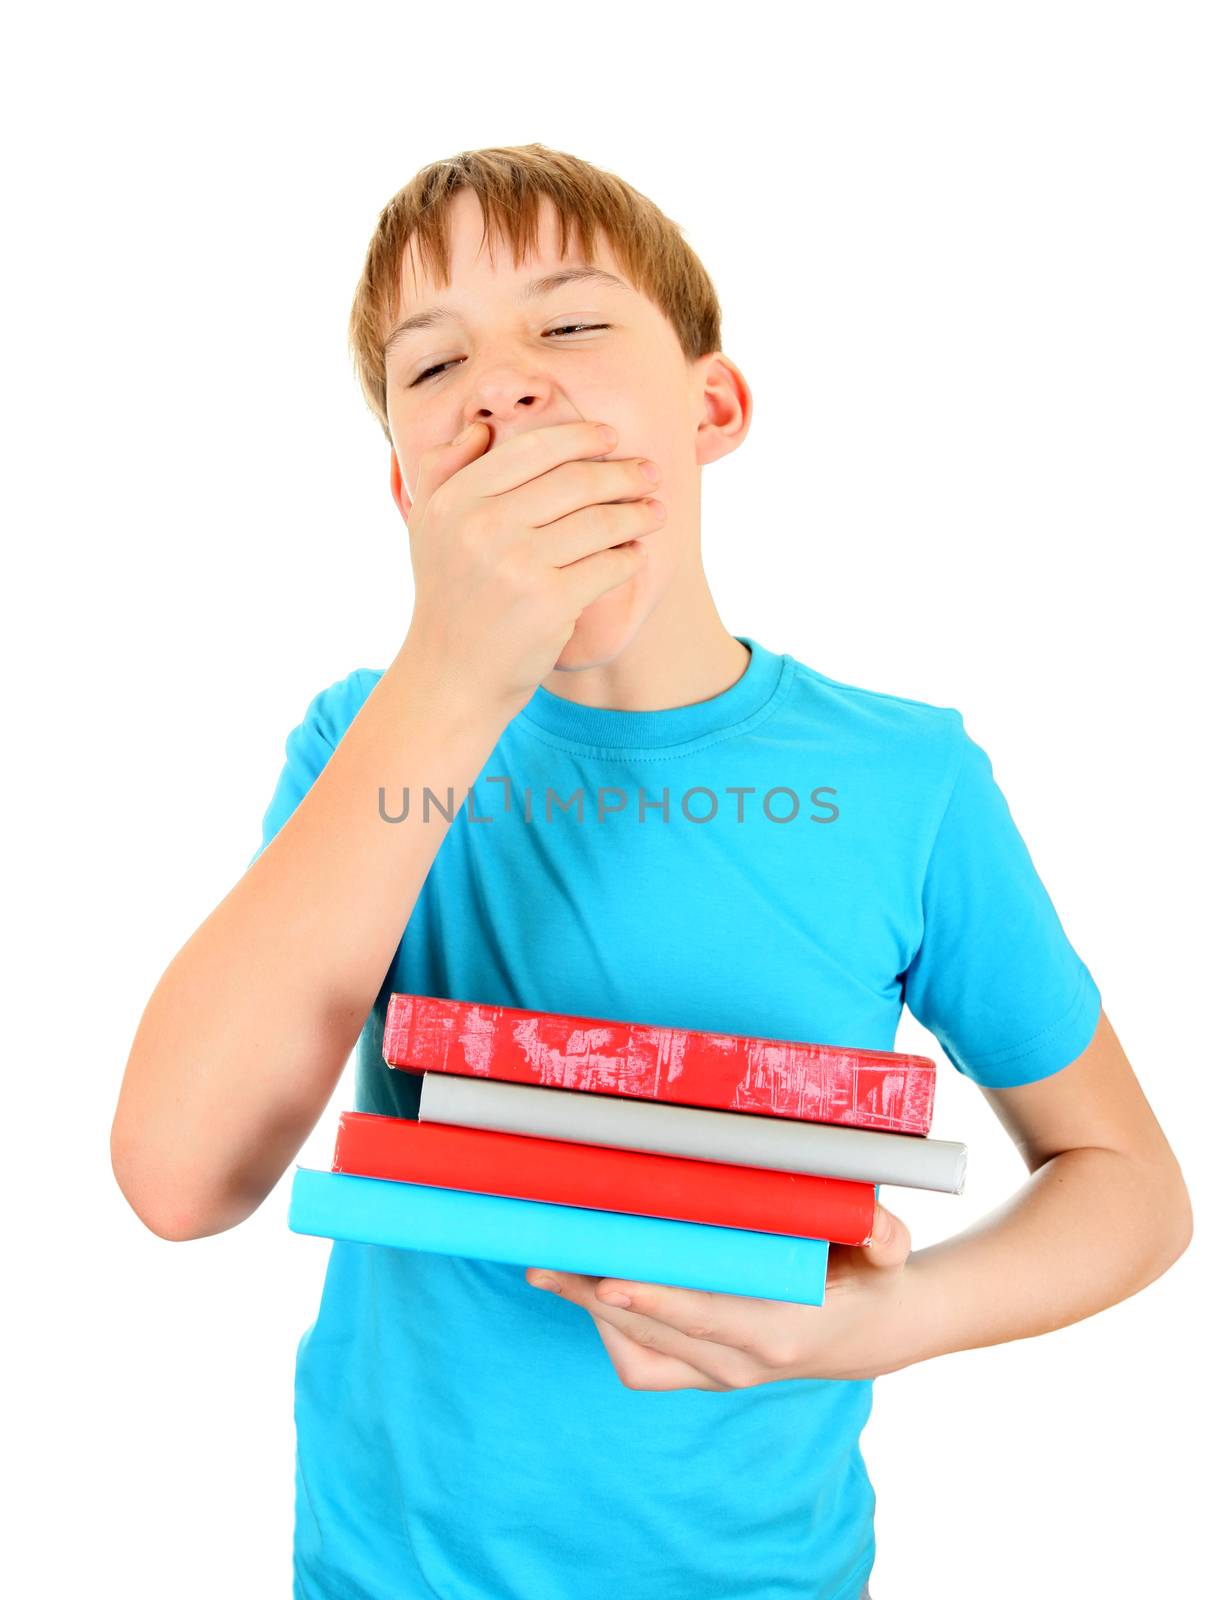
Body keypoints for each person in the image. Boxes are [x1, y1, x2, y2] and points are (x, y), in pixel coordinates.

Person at [110, 143, 1193, 1600]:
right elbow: (180, 1182)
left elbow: (1125, 1181)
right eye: (433, 371)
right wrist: (448, 668)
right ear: (407, 489)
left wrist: (889, 1321)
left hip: (759, 1573)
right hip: (386, 1569)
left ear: (711, 406)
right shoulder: (359, 743)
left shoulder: (904, 781)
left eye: (566, 325)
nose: (498, 383)